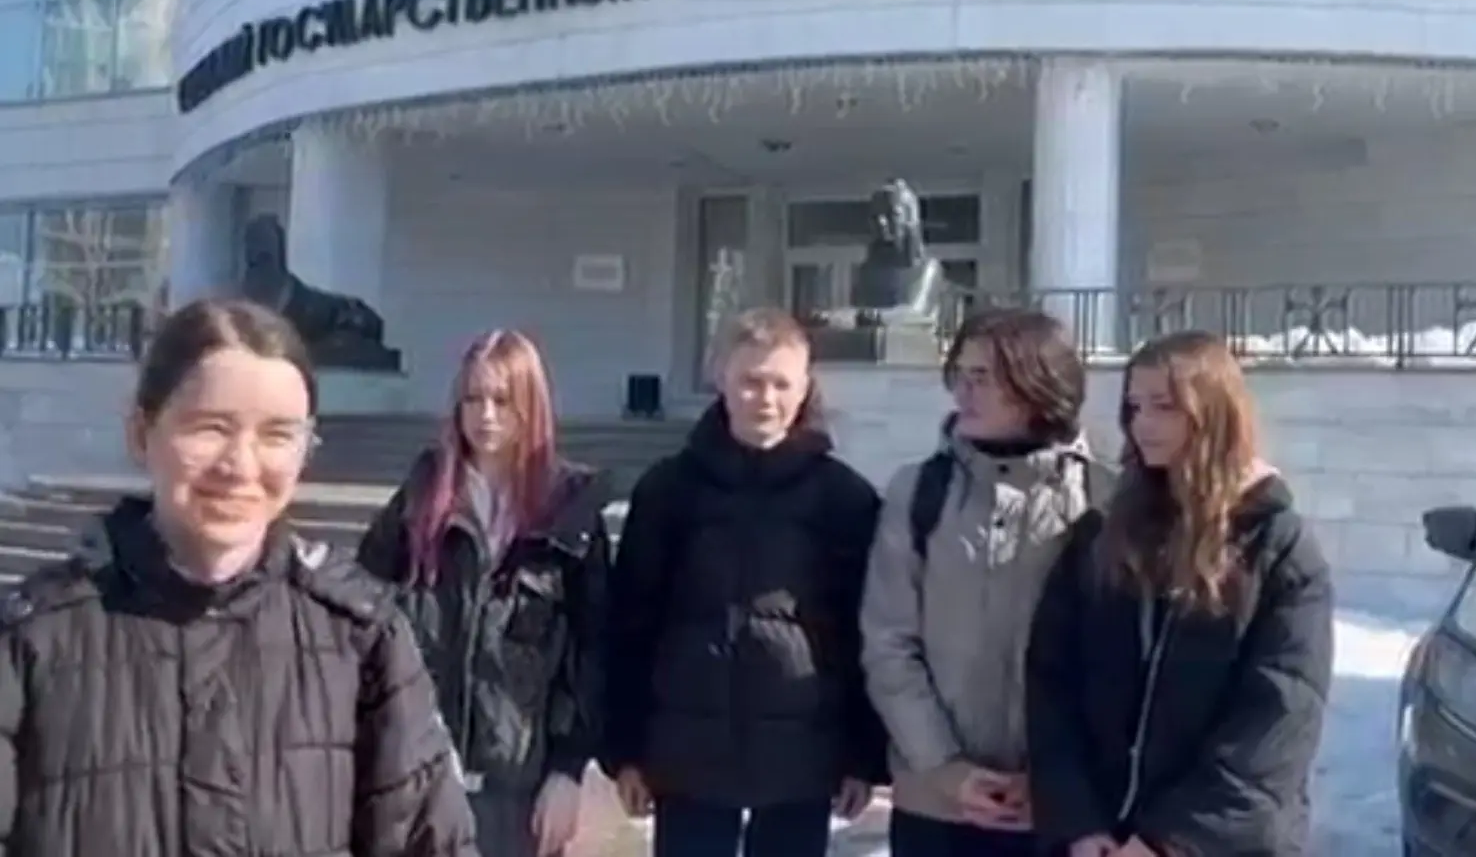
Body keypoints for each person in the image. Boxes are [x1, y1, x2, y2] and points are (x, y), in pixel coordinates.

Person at [0, 298, 478, 857]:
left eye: (277, 435)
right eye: (211, 428)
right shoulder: (33, 638)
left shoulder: (361, 637)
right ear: (141, 432)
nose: (240, 467)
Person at [1026, 329, 1335, 857]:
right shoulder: (1104, 535)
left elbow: (1278, 715)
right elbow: (1052, 684)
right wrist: (1078, 822)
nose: (1142, 424)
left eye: (1164, 407)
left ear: (1214, 414)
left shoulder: (1278, 547)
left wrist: (1168, 840)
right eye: (1134, 406)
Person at [603, 307, 885, 857]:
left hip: (802, 759)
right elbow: (631, 624)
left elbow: (863, 632)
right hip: (688, 756)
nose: (766, 399)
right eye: (751, 381)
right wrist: (626, 750)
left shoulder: (843, 499)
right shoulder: (668, 491)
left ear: (804, 387)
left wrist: (863, 755)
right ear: (721, 378)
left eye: (781, 384)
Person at [860, 307, 1112, 856]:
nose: (964, 392)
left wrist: (1052, 778)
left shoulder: (1104, 498)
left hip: (1062, 812)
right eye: (960, 374)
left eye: (984, 377)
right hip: (934, 805)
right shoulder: (918, 492)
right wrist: (947, 770)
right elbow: (888, 642)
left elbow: (1117, 665)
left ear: (1038, 385)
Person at [358, 329, 612, 857]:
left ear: (530, 406)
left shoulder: (569, 513)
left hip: (516, 788)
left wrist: (568, 770)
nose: (486, 415)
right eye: (473, 398)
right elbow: (365, 613)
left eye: (502, 399)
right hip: (421, 773)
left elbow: (592, 653)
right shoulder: (422, 498)